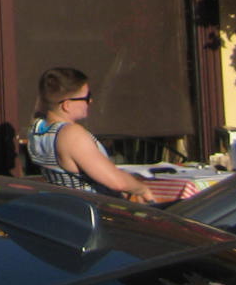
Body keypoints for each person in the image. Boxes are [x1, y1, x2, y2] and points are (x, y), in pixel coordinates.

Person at [27, 66, 155, 203]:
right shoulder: (70, 135)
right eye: (87, 97)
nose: (91, 101)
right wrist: (142, 189)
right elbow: (117, 182)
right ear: (67, 105)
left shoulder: (37, 129)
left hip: (66, 205)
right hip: (94, 208)